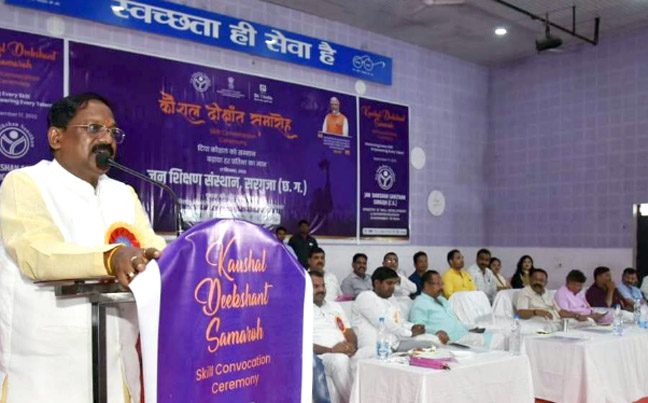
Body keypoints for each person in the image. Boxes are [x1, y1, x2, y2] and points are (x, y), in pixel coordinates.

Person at [0, 93, 166, 402]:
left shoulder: (123, 193)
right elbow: (38, 254)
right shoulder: (25, 182)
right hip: (47, 374)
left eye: (112, 131)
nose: (107, 139)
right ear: (56, 137)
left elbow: (152, 249)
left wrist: (178, 258)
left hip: (118, 369)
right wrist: (111, 257)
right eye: (94, 128)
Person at [410, 271, 501, 349]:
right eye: (438, 284)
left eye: (442, 284)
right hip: (453, 340)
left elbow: (454, 321)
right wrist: (436, 332)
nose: (441, 287)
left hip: (464, 334)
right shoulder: (420, 303)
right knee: (497, 340)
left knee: (497, 334)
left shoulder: (442, 299)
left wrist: (470, 328)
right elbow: (418, 327)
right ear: (426, 285)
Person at [351, 267, 429, 353]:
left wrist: (412, 327)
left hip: (394, 344)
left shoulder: (390, 298)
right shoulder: (366, 297)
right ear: (377, 283)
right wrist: (410, 333)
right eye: (389, 283)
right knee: (427, 348)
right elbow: (384, 323)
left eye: (394, 284)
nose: (392, 287)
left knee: (430, 342)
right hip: (375, 350)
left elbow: (399, 320)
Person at [311, 271, 357, 403]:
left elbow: (348, 330)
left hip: (344, 351)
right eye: (316, 286)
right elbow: (303, 343)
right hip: (321, 356)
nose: (321, 290)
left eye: (323, 285)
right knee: (339, 360)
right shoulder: (301, 309)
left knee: (367, 361)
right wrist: (331, 350)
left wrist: (351, 345)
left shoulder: (335, 306)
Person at [382, 252, 417, 317]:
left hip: (406, 303)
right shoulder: (379, 275)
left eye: (395, 261)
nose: (392, 263)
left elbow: (414, 289)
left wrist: (399, 279)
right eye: (389, 260)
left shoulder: (400, 274)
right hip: (389, 305)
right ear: (383, 263)